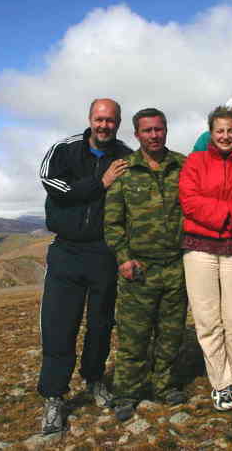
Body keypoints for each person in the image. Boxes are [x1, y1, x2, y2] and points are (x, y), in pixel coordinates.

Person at [37, 98, 132, 434]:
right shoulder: (64, 149)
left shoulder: (125, 155)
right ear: (90, 119)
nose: (104, 125)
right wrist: (99, 184)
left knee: (101, 324)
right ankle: (53, 397)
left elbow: (132, 201)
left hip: (104, 253)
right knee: (59, 326)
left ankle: (95, 380)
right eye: (99, 119)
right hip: (66, 251)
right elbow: (52, 185)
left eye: (111, 120)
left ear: (118, 122)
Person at [104, 108, 188, 422]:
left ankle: (164, 386)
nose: (154, 135)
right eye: (147, 130)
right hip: (138, 269)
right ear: (137, 134)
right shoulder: (124, 170)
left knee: (170, 334)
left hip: (175, 267)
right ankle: (126, 392)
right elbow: (112, 222)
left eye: (158, 129)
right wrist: (123, 258)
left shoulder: (183, 166)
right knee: (133, 336)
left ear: (166, 130)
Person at [179, 107, 232, 411]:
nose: (226, 136)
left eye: (231, 130)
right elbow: (189, 201)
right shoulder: (195, 161)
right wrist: (229, 213)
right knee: (208, 320)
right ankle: (222, 383)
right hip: (199, 248)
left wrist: (227, 214)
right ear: (210, 133)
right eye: (220, 131)